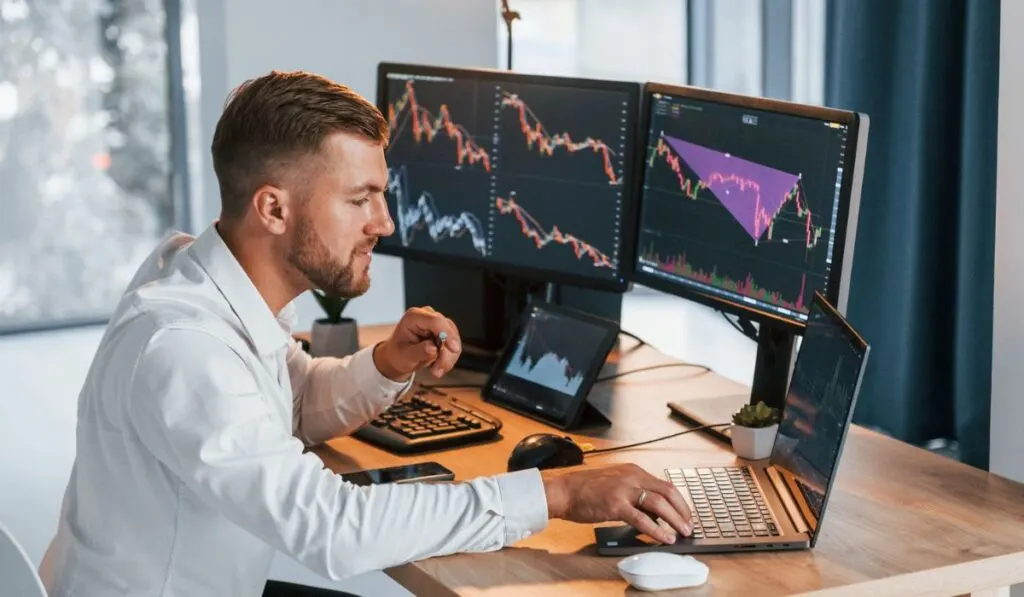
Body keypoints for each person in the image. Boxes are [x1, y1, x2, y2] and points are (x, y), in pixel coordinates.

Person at [38, 70, 693, 597]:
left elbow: (285, 403)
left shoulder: (203, 273)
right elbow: (334, 529)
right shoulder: (184, 349)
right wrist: (557, 491)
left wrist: (382, 364)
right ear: (273, 207)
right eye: (360, 198)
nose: (384, 221)